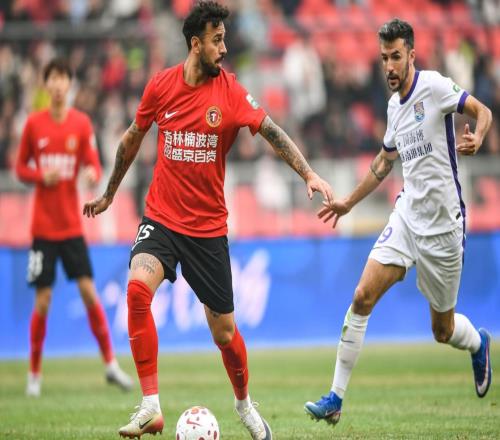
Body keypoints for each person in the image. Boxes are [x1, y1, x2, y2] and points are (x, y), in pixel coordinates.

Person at [83, 2, 333, 438]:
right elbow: (131, 139)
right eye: (217, 40)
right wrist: (109, 193)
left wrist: (308, 173)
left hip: (207, 230)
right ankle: (150, 405)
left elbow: (272, 132)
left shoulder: (231, 92)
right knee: (137, 290)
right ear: (195, 44)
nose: (225, 48)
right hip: (161, 218)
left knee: (224, 332)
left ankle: (244, 404)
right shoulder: (161, 86)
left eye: (225, 39)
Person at [305, 18, 493, 426]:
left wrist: (478, 137)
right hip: (407, 216)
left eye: (395, 57)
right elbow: (383, 162)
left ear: (411, 54)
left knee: (442, 330)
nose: (389, 66)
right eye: (383, 58)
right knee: (361, 297)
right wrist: (348, 203)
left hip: (443, 228)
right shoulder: (393, 107)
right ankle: (335, 398)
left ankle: (478, 343)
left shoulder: (435, 87)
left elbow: (483, 112)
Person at [15, 58, 133, 397]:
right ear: (45, 83)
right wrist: (41, 175)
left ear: (70, 84)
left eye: (63, 78)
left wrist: (93, 174)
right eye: (52, 78)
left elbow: (93, 162)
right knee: (43, 300)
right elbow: (20, 168)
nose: (57, 84)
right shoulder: (34, 124)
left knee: (88, 292)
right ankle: (34, 374)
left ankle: (110, 364)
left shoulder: (81, 124)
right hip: (42, 229)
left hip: (71, 227)